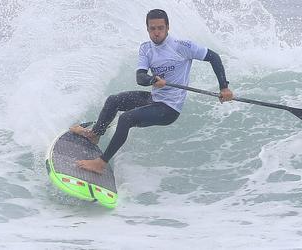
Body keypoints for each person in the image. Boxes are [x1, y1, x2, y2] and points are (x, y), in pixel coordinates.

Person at [70, 9, 233, 174]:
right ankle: (95, 135)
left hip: (169, 108)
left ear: (167, 28)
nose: (156, 33)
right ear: (147, 29)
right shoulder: (146, 49)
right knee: (113, 100)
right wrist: (152, 80)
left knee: (126, 119)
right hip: (154, 98)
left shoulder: (182, 47)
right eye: (152, 28)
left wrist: (224, 87)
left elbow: (214, 57)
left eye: (160, 28)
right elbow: (140, 76)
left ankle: (101, 163)